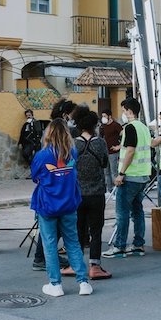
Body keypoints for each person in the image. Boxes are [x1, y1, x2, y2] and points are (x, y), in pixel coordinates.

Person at [31, 118, 93, 297]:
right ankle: (83, 283)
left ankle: (55, 284)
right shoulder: (72, 151)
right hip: (69, 205)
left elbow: (35, 176)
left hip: (48, 206)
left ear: (48, 134)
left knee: (49, 245)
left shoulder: (42, 156)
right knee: (72, 242)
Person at [64, 105, 111, 280]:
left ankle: (74, 264)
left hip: (77, 194)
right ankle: (95, 267)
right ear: (94, 126)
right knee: (96, 230)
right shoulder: (100, 143)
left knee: (77, 230)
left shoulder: (73, 144)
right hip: (97, 193)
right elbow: (105, 163)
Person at [102, 98, 151, 259]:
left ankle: (119, 246)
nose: (122, 114)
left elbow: (130, 151)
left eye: (123, 111)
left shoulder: (130, 127)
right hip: (142, 176)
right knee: (137, 212)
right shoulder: (143, 127)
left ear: (129, 111)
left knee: (122, 213)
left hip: (130, 177)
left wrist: (121, 173)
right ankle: (138, 245)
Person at [99, 108, 122, 193]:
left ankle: (116, 191)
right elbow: (101, 137)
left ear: (110, 116)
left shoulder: (116, 125)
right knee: (106, 173)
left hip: (113, 153)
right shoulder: (102, 126)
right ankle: (109, 190)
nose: (103, 118)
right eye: (102, 116)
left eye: (105, 116)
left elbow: (123, 136)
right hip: (105, 152)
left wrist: (119, 146)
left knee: (114, 172)